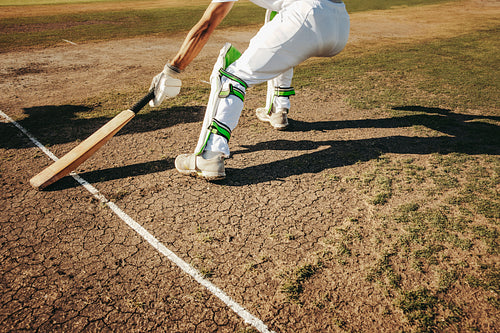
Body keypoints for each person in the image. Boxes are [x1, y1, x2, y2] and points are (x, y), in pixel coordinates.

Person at [149, 0, 350, 180]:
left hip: (306, 15)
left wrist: (172, 70)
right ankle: (278, 110)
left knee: (232, 77)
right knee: (281, 32)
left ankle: (209, 155)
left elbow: (207, 25)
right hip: (339, 24)